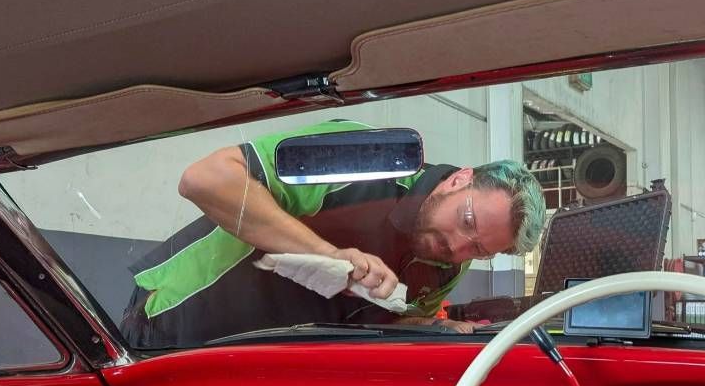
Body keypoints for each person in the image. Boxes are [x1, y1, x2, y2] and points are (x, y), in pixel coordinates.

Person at [120, 119, 546, 347]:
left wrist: (426, 326)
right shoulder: (368, 158)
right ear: (460, 179)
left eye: (479, 250)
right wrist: (329, 255)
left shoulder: (446, 268)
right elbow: (204, 180)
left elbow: (388, 318)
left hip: (261, 370)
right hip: (177, 325)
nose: (455, 247)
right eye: (467, 222)